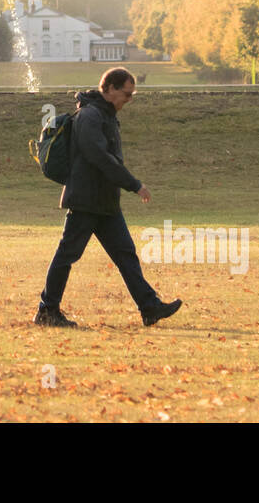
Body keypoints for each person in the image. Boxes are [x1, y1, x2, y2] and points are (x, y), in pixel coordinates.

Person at [35, 66, 183, 328]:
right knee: (67, 255)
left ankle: (149, 308)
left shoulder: (106, 115)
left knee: (126, 254)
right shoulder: (90, 116)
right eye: (127, 94)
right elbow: (100, 157)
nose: (129, 99)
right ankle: (47, 310)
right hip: (86, 200)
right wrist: (134, 184)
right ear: (111, 89)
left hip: (105, 202)